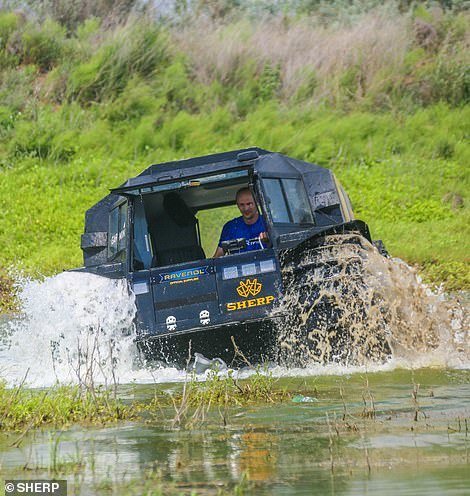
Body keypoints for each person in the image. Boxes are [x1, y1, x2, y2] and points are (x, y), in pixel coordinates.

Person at [213, 187, 269, 258]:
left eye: (249, 204)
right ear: (237, 205)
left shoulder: (268, 223)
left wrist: (269, 241)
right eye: (242, 205)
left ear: (257, 202)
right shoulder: (230, 227)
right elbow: (217, 257)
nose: (246, 208)